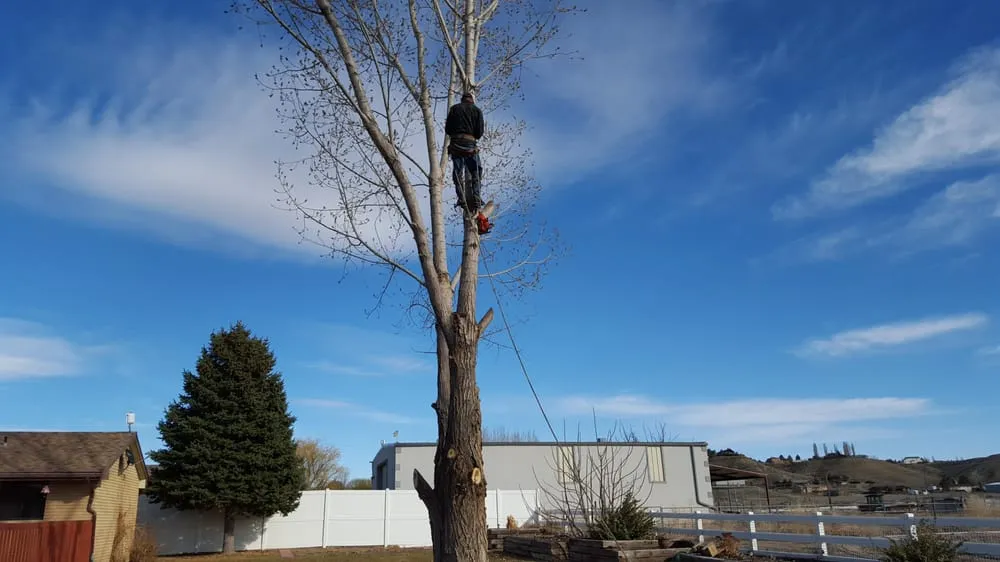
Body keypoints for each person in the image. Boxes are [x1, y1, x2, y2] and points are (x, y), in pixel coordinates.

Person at [445, 91, 485, 213]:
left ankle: (461, 198)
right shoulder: (477, 111)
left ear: (462, 100)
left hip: (456, 144)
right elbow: (479, 133)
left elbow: (448, 129)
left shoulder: (454, 109)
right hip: (470, 144)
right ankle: (476, 197)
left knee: (457, 172)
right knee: (476, 171)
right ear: (472, 100)